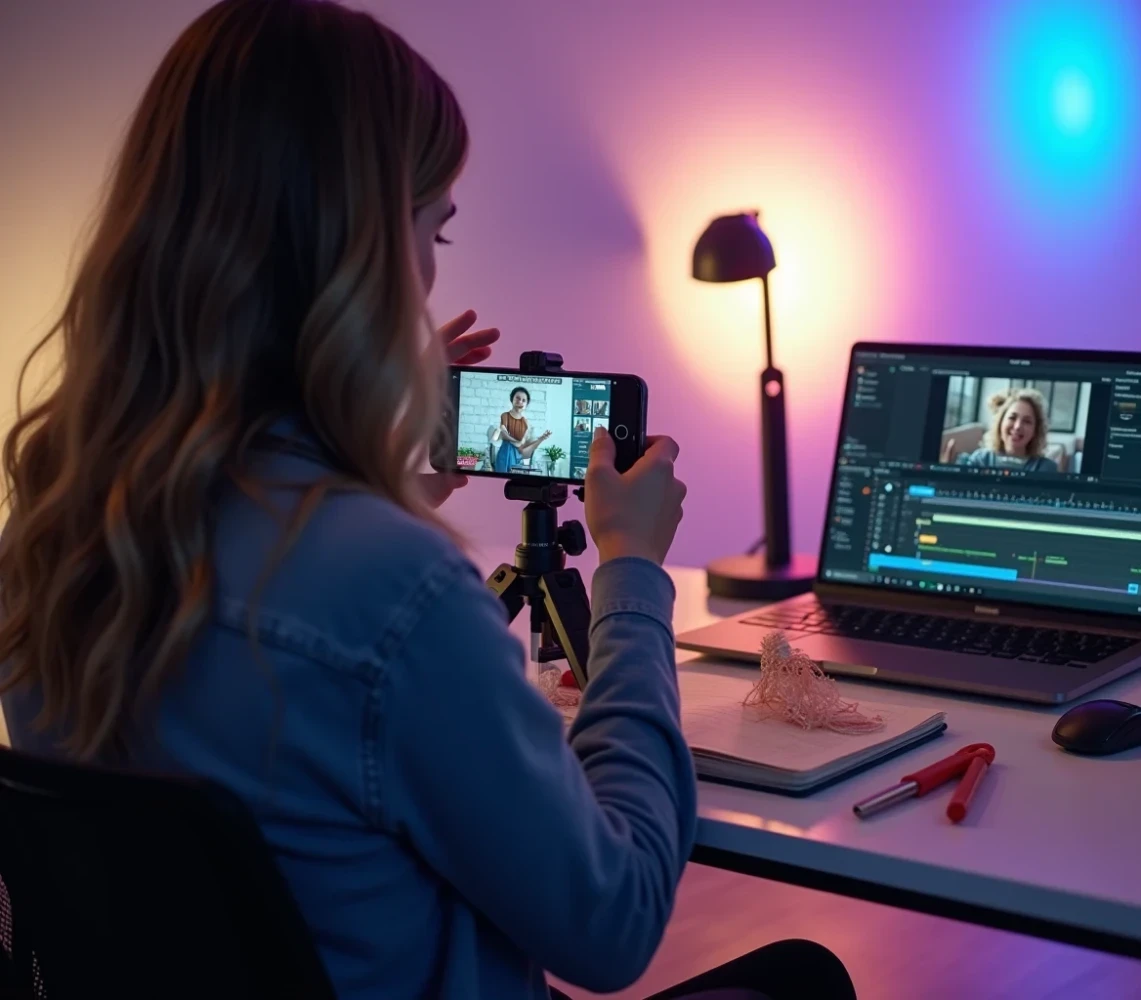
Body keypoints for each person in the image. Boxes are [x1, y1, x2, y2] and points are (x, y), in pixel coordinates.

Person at [0, 3, 854, 1000]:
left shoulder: (54, 536)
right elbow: (613, 918)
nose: (428, 272)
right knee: (800, 980)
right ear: (356, 251)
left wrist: (364, 475)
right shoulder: (392, 589)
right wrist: (626, 569)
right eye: (429, 228)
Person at [954, 388, 1059, 473]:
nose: (1018, 426)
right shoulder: (980, 460)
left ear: (1036, 430)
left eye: (1027, 421)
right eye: (1012, 418)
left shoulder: (1046, 468)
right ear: (1000, 423)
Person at [494, 385, 551, 472]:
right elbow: (503, 434)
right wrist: (517, 442)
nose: (520, 401)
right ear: (512, 399)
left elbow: (526, 444)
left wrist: (541, 438)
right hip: (504, 454)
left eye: (524, 400)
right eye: (517, 398)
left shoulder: (526, 422)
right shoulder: (505, 416)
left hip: (518, 456)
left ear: (526, 404)